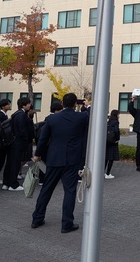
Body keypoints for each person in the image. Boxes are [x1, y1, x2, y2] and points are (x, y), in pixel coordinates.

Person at [31, 93, 90, 233]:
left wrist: (38, 154)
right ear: (76, 104)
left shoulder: (52, 118)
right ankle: (67, 223)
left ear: (62, 104)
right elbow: (94, 117)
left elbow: (43, 139)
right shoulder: (82, 117)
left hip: (54, 158)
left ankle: (37, 219)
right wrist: (87, 106)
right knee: (69, 191)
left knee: (47, 189)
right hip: (72, 159)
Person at [3, 97, 34, 191]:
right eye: (28, 103)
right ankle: (13, 184)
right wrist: (26, 139)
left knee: (10, 162)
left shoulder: (16, 114)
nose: (29, 105)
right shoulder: (21, 115)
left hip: (13, 142)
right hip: (18, 142)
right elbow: (22, 130)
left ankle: (6, 183)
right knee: (15, 163)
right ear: (23, 105)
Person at [105, 109, 120, 179]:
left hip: (107, 141)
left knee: (106, 158)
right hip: (113, 141)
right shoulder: (116, 122)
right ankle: (108, 173)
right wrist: (117, 139)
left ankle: (102, 172)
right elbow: (116, 131)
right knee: (111, 158)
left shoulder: (109, 121)